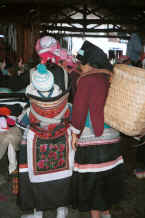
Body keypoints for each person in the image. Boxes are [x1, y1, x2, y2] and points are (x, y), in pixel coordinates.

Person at [16, 36, 75, 218]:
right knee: (62, 173)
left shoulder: (33, 72)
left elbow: (20, 94)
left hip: (37, 134)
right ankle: (62, 209)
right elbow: (69, 99)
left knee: (35, 173)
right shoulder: (65, 73)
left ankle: (38, 212)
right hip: (61, 131)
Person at [70, 40, 126, 218]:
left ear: (90, 63)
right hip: (113, 138)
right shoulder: (109, 77)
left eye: (82, 63)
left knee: (92, 183)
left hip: (92, 140)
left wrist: (74, 134)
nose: (80, 67)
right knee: (106, 178)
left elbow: (79, 110)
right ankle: (107, 213)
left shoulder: (86, 80)